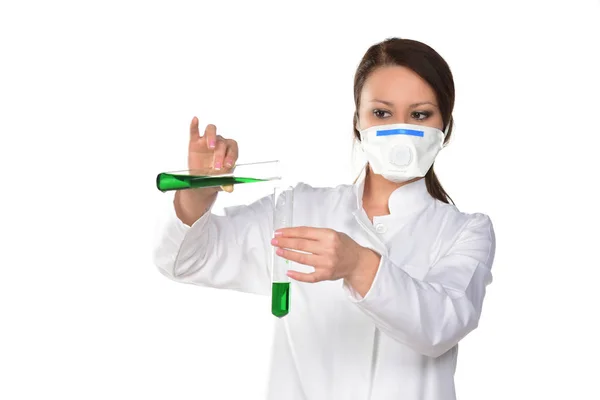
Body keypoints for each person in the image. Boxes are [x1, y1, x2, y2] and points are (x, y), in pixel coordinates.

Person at [153, 37, 496, 400]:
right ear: (357, 123)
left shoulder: (467, 231)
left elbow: (439, 327)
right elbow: (184, 261)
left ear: (446, 127)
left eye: (420, 114)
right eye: (381, 113)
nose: (400, 129)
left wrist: (358, 264)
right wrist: (199, 189)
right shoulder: (297, 210)